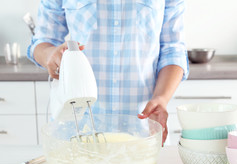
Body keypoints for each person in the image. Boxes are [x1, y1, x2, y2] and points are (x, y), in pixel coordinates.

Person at [27, 0, 189, 146]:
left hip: (143, 133)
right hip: (75, 133)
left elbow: (173, 50)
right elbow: (41, 42)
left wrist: (161, 98)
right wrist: (50, 54)